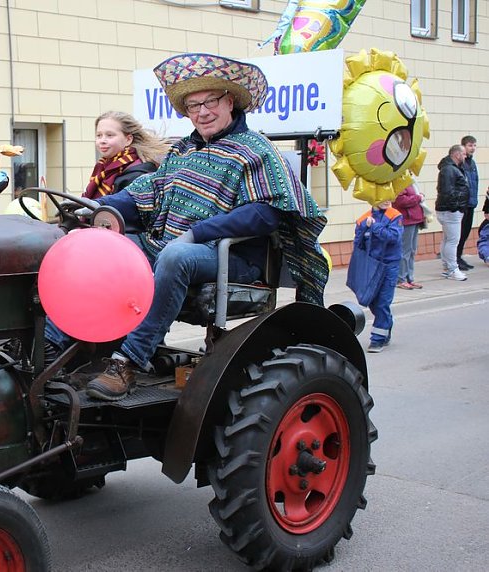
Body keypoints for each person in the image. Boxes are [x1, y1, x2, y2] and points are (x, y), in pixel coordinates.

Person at [46, 52, 329, 401]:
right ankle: (51, 344)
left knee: (177, 255)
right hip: (171, 245)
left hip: (230, 257)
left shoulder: (255, 150)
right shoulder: (184, 151)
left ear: (230, 101)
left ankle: (128, 362)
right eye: (194, 106)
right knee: (105, 250)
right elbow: (144, 192)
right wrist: (96, 209)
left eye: (210, 102)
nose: (202, 112)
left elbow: (266, 213)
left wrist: (199, 231)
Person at [352, 200, 403, 353]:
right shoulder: (363, 219)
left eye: (389, 196)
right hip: (371, 266)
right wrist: (364, 228)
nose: (387, 200)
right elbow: (358, 244)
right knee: (372, 302)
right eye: (382, 196)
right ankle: (386, 324)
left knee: (382, 302)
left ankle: (377, 339)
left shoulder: (395, 216)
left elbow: (393, 238)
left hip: (389, 265)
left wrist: (374, 226)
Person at [82, 111, 170, 199]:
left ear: (128, 139)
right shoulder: (102, 168)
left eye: (110, 135)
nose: (102, 141)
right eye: (99, 135)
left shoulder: (137, 174)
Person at [435, 144, 470, 281]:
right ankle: (452, 269)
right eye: (464, 154)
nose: (465, 156)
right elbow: (447, 191)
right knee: (452, 241)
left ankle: (447, 266)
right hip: (450, 210)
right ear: (457, 154)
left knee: (447, 239)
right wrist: (457, 205)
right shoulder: (449, 169)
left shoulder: (450, 168)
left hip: (448, 209)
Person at [392, 183, 425, 289]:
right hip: (406, 220)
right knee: (405, 251)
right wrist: (418, 197)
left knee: (412, 250)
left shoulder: (411, 182)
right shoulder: (399, 182)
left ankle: (410, 278)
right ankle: (401, 279)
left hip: (414, 218)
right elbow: (400, 201)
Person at [456, 135, 479, 270]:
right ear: (463, 146)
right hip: (463, 204)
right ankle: (455, 259)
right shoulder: (461, 163)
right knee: (459, 233)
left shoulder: (472, 163)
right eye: (470, 145)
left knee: (465, 232)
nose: (473, 148)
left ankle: (459, 256)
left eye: (474, 145)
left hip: (471, 203)